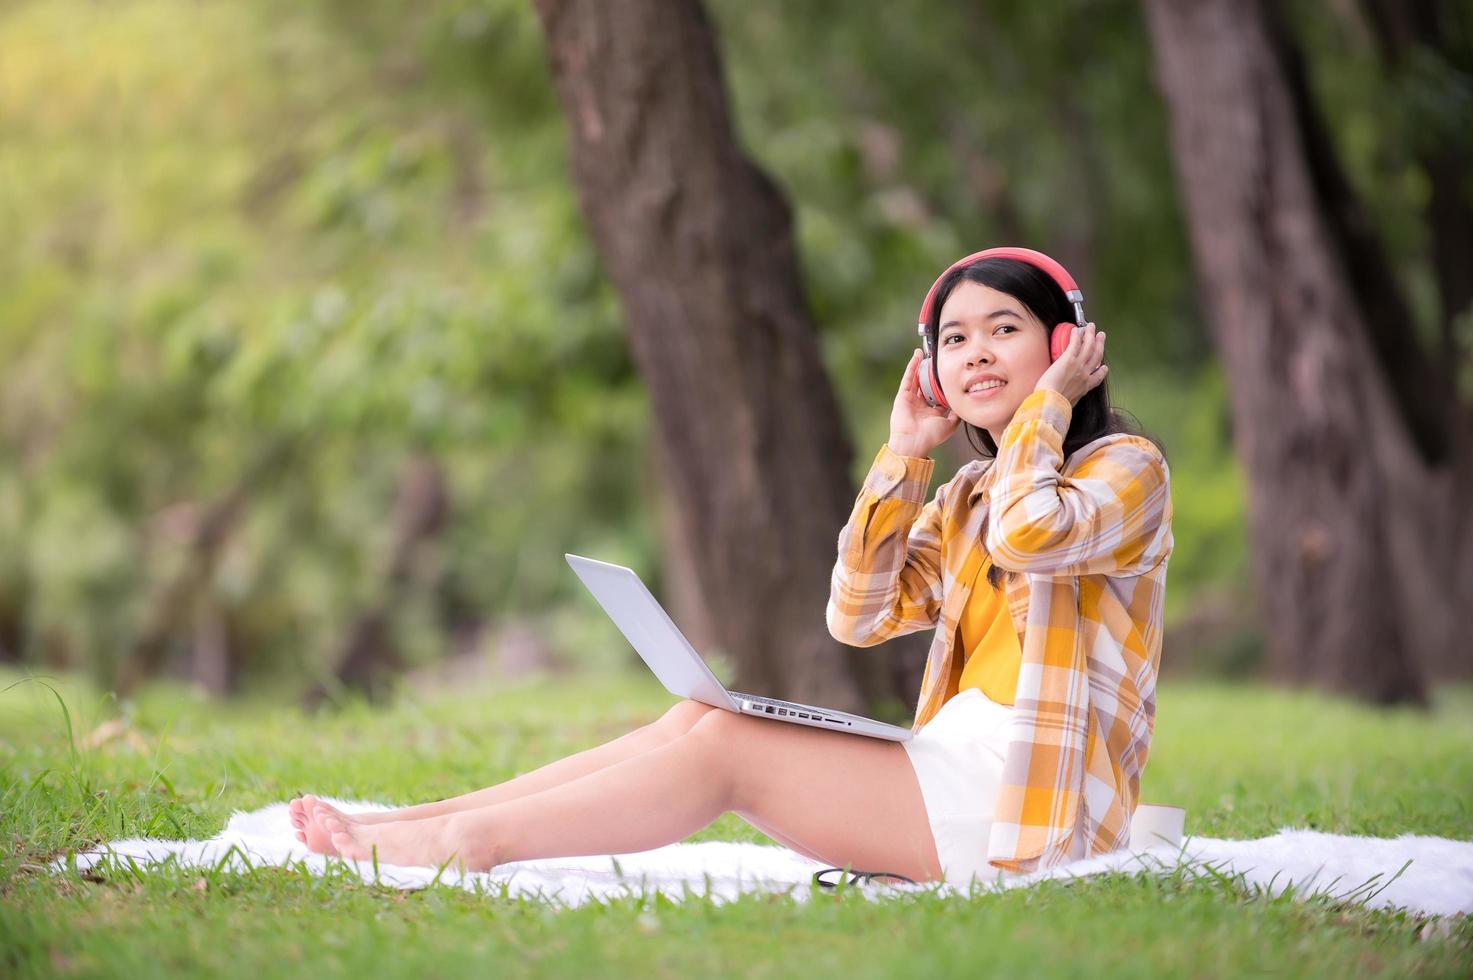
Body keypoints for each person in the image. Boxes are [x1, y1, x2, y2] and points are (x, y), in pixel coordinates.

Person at [291, 249, 1172, 886]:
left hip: (1031, 812)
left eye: (1004, 331)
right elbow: (857, 615)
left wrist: (1046, 412)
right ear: (932, 370)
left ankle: (468, 848)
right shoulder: (970, 494)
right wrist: (904, 457)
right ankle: (418, 825)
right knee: (696, 716)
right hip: (953, 772)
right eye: (953, 339)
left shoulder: (1124, 469)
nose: (974, 352)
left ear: (1063, 346)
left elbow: (1034, 535)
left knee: (728, 745)